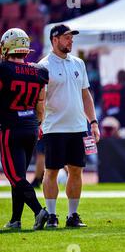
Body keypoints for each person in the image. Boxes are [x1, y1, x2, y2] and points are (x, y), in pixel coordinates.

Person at [38, 24, 100, 228]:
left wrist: (93, 122)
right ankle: (52, 215)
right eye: (66, 37)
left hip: (78, 126)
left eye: (71, 37)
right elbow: (40, 99)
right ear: (54, 40)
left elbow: (85, 95)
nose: (71, 41)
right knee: (52, 171)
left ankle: (72, 215)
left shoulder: (78, 63)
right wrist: (39, 122)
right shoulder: (43, 65)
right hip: (54, 127)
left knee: (76, 170)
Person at [0, 28, 49, 230]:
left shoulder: (3, 69)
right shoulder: (39, 71)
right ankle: (15, 220)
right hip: (31, 127)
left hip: (11, 127)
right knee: (18, 175)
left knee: (14, 176)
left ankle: (39, 211)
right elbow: (41, 104)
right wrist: (38, 124)